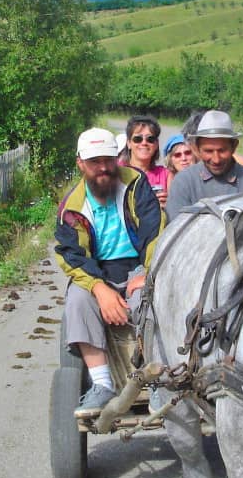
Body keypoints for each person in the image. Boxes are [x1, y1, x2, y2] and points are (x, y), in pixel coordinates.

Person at [55, 127, 165, 417]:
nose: (102, 168)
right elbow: (71, 255)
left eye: (107, 160)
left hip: (138, 267)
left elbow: (155, 232)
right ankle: (102, 384)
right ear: (80, 163)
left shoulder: (136, 184)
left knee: (148, 296)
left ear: (117, 159)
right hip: (98, 272)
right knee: (78, 300)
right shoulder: (72, 207)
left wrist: (148, 273)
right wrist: (100, 289)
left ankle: (155, 379)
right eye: (94, 162)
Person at [165, 110, 243, 222]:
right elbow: (176, 229)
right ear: (196, 149)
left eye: (222, 150)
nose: (216, 159)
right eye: (208, 151)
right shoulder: (183, 183)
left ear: (234, 146)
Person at [125, 115, 171, 208]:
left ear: (156, 144)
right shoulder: (119, 173)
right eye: (138, 139)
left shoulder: (166, 175)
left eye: (150, 139)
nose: (144, 143)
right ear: (129, 143)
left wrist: (168, 203)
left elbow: (175, 208)